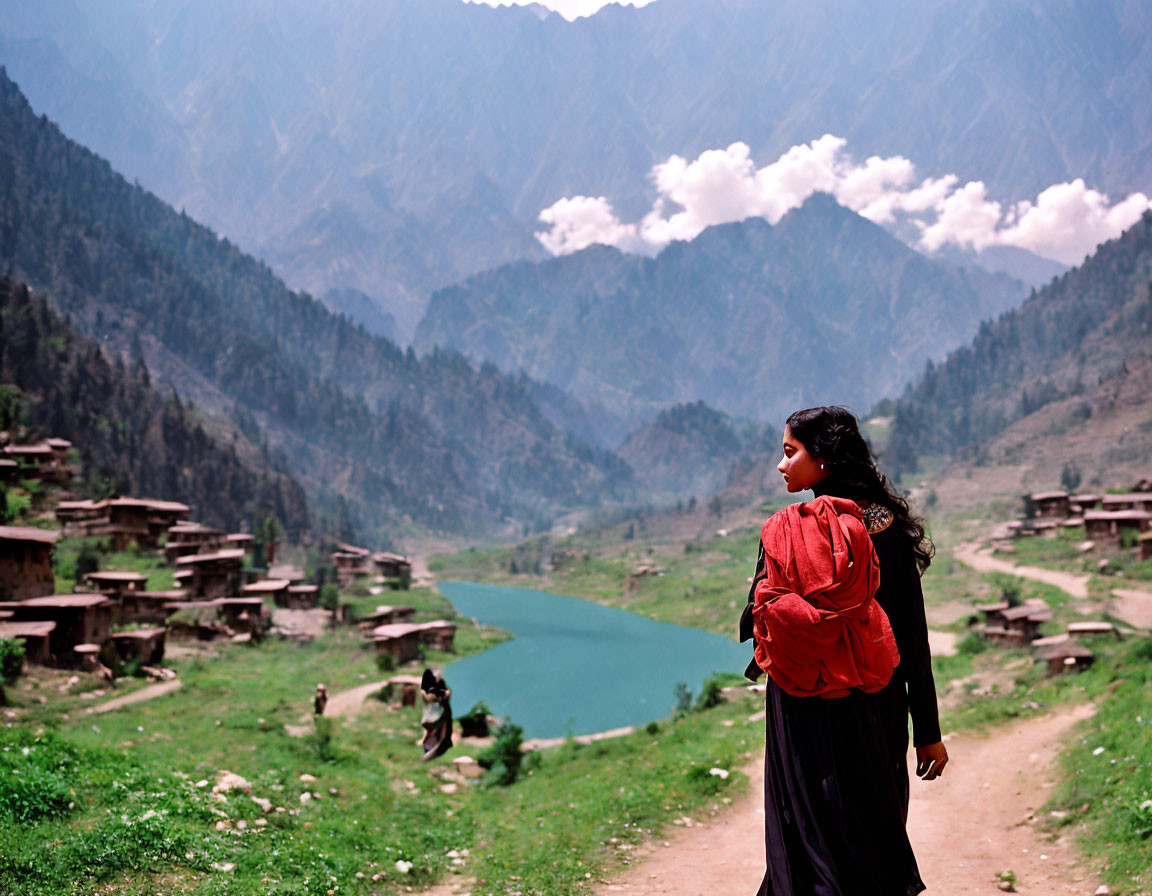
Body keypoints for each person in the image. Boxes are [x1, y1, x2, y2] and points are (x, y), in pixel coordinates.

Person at [740, 405, 948, 896]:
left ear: (824, 460)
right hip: (876, 704)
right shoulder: (886, 527)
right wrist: (929, 733)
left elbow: (755, 618)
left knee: (805, 831)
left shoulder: (785, 529)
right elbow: (911, 638)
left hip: (800, 706)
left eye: (790, 452)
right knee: (873, 830)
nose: (781, 464)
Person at [419, 668, 453, 761]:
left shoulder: (442, 684)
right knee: (432, 731)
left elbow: (446, 694)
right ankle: (429, 751)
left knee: (440, 732)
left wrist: (445, 695)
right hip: (432, 713)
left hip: (440, 712)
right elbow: (426, 696)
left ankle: (433, 751)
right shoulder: (428, 685)